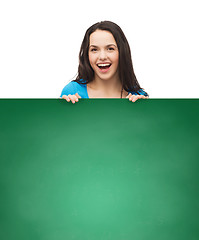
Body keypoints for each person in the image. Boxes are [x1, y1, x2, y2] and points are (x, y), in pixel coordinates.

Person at [60, 21, 149, 104]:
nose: (102, 57)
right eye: (94, 50)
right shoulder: (71, 92)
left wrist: (143, 111)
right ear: (87, 55)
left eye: (110, 49)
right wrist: (63, 110)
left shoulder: (138, 96)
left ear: (122, 52)